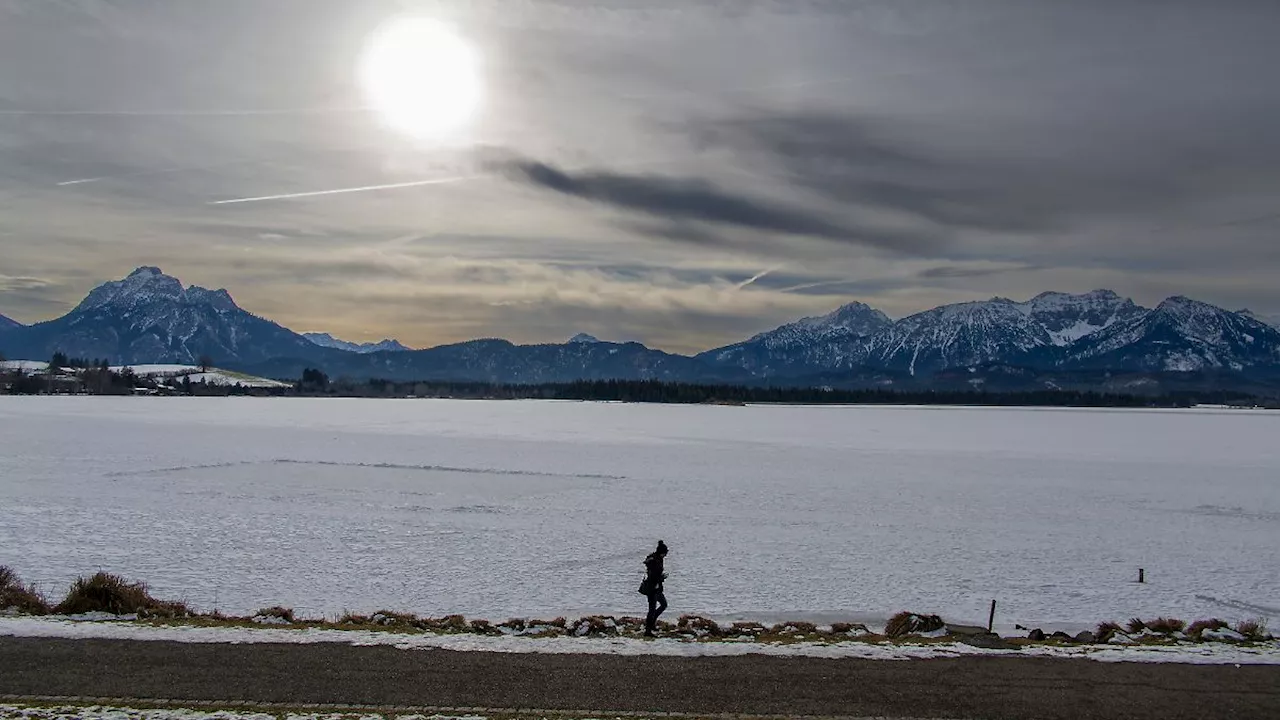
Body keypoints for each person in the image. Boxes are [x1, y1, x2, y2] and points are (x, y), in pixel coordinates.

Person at [639, 540, 668, 637]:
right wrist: (662, 577)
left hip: (657, 587)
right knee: (652, 609)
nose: (666, 555)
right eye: (665, 553)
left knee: (663, 604)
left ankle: (651, 624)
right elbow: (653, 576)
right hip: (652, 588)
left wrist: (660, 578)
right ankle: (648, 630)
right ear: (662, 552)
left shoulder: (658, 558)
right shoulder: (654, 561)